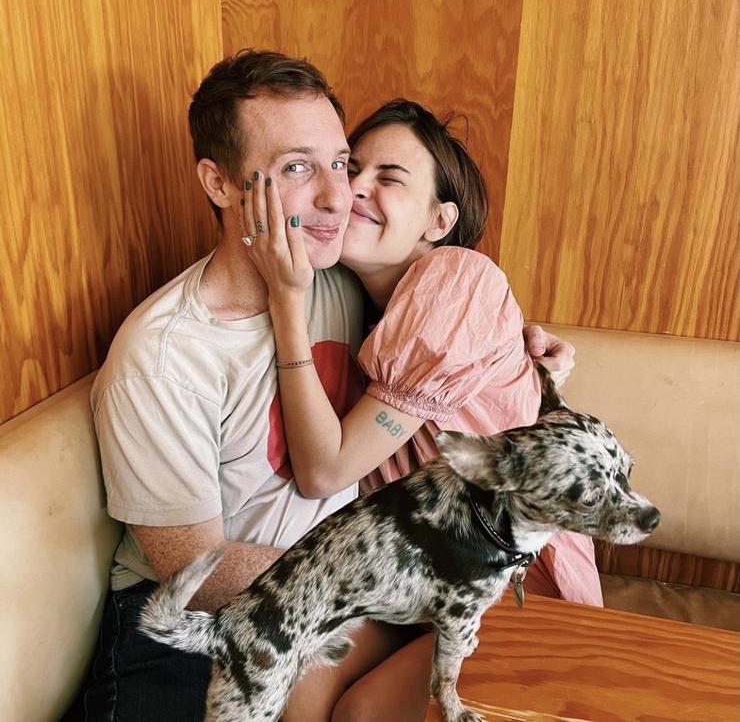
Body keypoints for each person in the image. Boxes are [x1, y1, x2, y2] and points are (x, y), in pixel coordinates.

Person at [72, 50, 574, 722]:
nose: (340, 196)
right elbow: (192, 568)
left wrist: (522, 351)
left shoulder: (342, 274)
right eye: (297, 168)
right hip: (193, 623)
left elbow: (448, 321)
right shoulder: (165, 358)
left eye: (339, 163)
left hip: (342, 598)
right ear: (219, 183)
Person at [244, 98, 603, 607]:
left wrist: (285, 300)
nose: (352, 189)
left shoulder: (454, 277)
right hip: (421, 584)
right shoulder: (352, 294)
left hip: (512, 589)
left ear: (438, 221)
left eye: (389, 178)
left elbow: (325, 472)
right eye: (351, 168)